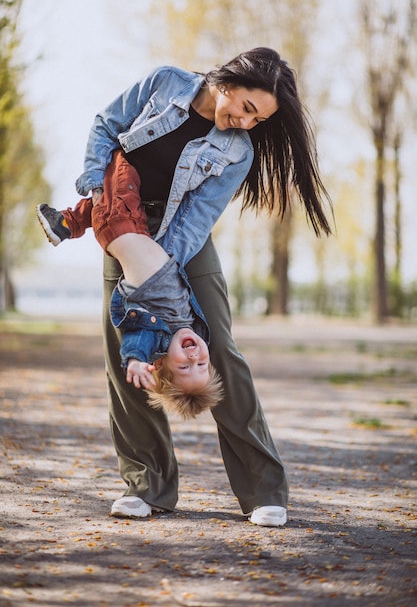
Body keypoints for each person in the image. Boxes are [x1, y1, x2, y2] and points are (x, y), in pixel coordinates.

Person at [54, 47, 332, 524]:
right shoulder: (165, 82)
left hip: (181, 242)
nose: (246, 124)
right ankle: (148, 485)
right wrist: (95, 189)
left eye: (257, 120)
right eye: (246, 108)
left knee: (218, 349)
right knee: (129, 355)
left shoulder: (238, 152)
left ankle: (264, 491)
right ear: (228, 81)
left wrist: (155, 272)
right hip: (124, 223)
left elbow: (196, 221)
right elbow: (106, 124)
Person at [37, 152, 223, 419]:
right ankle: (66, 223)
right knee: (106, 196)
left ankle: (72, 218)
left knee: (125, 159)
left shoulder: (155, 336)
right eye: (202, 364)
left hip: (119, 226)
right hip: (134, 227)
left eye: (185, 368)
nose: (194, 359)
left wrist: (135, 361)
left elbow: (137, 341)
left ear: (159, 362)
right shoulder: (192, 328)